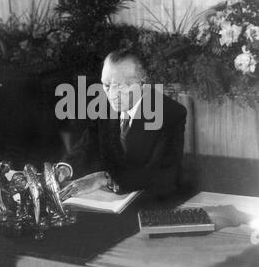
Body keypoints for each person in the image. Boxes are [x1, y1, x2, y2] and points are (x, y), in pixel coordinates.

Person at [63, 48, 187, 199]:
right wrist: (65, 168)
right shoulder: (104, 108)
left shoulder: (170, 113)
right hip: (109, 202)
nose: (112, 95)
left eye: (120, 86)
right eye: (106, 85)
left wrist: (105, 178)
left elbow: (161, 174)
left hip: (152, 202)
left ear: (143, 82)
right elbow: (86, 147)